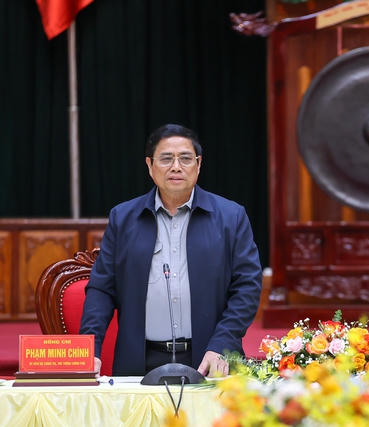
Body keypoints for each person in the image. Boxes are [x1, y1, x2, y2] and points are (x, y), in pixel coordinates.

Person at [80, 123, 262, 377]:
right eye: (166, 159)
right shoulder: (123, 218)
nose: (176, 167)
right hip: (139, 363)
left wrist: (223, 343)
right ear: (149, 165)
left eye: (185, 159)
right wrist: (90, 349)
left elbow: (247, 286)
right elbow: (102, 288)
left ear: (199, 164)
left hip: (210, 360)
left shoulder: (231, 217)